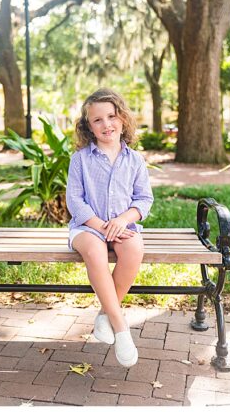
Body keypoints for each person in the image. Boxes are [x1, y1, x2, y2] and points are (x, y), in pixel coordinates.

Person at [66, 89, 153, 367]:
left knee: (134, 248)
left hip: (121, 225)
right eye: (97, 120)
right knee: (94, 251)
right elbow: (75, 201)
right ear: (88, 127)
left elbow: (144, 200)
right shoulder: (80, 159)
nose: (106, 125)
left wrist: (122, 220)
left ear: (123, 119)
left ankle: (104, 314)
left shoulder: (135, 160)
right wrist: (101, 226)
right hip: (88, 227)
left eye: (112, 117)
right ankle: (120, 326)